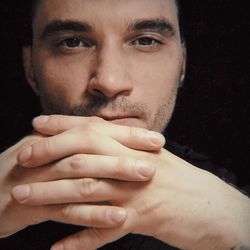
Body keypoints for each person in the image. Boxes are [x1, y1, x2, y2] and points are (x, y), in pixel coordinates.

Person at [0, 0, 249, 249]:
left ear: (182, 64)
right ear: (31, 66)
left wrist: (237, 224)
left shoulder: (235, 208)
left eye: (145, 41)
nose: (110, 81)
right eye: (72, 42)